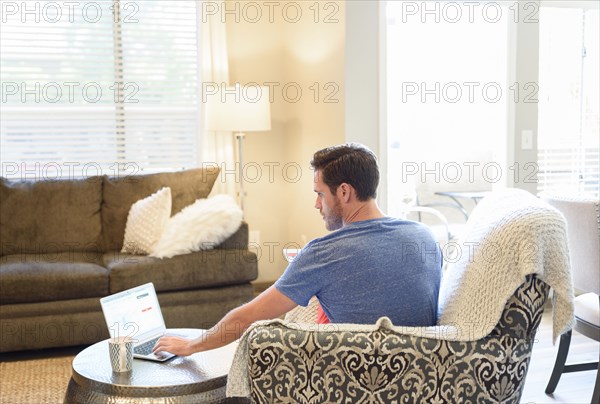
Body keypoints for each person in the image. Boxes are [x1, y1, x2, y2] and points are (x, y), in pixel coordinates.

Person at [153, 143, 442, 357]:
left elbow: (247, 317)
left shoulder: (322, 253)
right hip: (421, 375)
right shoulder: (424, 236)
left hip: (354, 377)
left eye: (319, 194)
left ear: (344, 192)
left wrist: (191, 345)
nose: (317, 204)